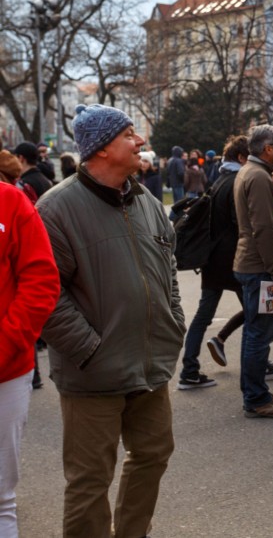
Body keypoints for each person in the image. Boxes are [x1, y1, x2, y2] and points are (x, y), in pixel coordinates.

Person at [36, 103, 185, 537]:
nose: (140, 141)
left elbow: (168, 267)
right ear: (101, 149)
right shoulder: (55, 209)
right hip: (93, 374)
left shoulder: (146, 201)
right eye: (129, 134)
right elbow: (45, 293)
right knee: (89, 482)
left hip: (149, 366)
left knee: (154, 454)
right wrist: (89, 348)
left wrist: (173, 319)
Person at [0, 180, 59, 536]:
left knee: (0, 497)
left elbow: (41, 280)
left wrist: (5, 346)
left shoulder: (10, 200)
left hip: (6, 371)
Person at [177, 135, 248, 391]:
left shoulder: (219, 180)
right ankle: (257, 363)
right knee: (257, 311)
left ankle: (190, 369)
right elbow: (240, 223)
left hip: (213, 258)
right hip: (233, 259)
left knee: (204, 314)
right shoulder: (238, 181)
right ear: (241, 158)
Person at [233, 124, 273, 418]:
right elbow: (263, 228)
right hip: (260, 267)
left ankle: (255, 391)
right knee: (260, 335)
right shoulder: (257, 176)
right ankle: (256, 399)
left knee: (254, 334)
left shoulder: (251, 171)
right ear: (267, 148)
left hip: (253, 264)